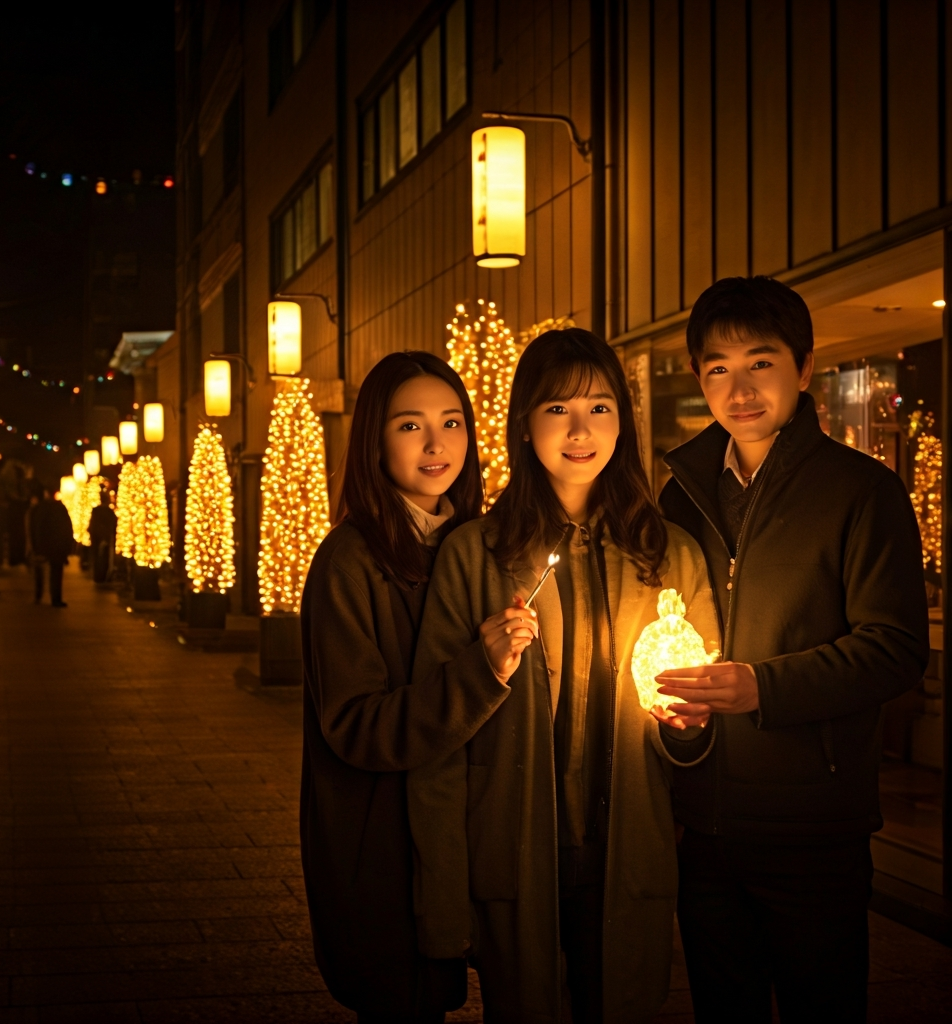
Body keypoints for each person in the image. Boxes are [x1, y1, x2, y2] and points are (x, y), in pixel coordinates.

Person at [408, 329, 719, 1023]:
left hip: (630, 844)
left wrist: (689, 725)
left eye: (600, 408)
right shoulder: (475, 554)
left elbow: (702, 721)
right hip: (514, 852)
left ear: (623, 421)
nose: (580, 431)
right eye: (558, 410)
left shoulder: (669, 553)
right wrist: (444, 894)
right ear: (525, 423)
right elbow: (436, 740)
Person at [656, 276, 929, 1022]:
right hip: (704, 821)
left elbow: (897, 648)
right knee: (724, 1006)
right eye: (718, 368)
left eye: (761, 362)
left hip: (814, 822)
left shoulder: (862, 492)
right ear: (698, 377)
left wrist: (759, 688)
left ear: (803, 369)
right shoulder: (680, 496)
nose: (739, 388)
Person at [300, 352, 512, 1024]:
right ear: (374, 440)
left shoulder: (475, 547)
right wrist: (483, 671)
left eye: (452, 422)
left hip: (458, 834)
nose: (436, 443)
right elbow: (359, 723)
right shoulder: (350, 561)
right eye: (409, 424)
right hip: (382, 844)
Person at [27, 488, 75, 607]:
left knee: (39, 571)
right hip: (57, 544)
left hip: (42, 543)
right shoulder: (60, 508)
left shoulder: (38, 509)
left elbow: (33, 528)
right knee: (56, 572)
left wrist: (34, 545)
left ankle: (38, 595)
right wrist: (68, 544)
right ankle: (56, 598)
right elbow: (67, 527)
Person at [88, 491, 117, 583]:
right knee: (104, 557)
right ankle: (102, 576)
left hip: (96, 537)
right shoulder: (109, 512)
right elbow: (112, 525)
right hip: (104, 537)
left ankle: (98, 576)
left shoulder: (96, 510)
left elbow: (92, 524)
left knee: (97, 557)